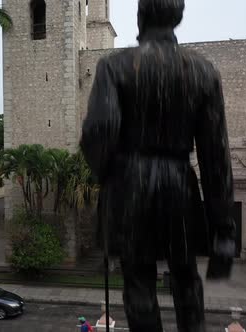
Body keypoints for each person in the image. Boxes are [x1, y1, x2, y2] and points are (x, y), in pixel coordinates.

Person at [80, 1, 236, 331]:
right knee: (186, 277)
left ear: (141, 16)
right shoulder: (203, 71)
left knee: (138, 283)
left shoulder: (114, 66)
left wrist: (104, 171)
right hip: (180, 186)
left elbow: (99, 132)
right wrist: (223, 227)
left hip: (129, 188)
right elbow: (215, 155)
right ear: (176, 17)